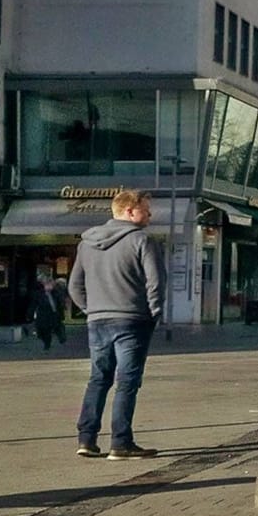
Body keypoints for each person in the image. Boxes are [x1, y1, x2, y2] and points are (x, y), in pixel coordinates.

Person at [70, 188, 166, 460]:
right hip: (132, 320)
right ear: (129, 211)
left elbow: (75, 286)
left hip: (98, 321)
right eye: (145, 209)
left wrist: (91, 309)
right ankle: (120, 443)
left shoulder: (86, 243)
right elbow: (155, 281)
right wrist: (154, 312)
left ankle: (86, 439)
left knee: (98, 378)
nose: (150, 213)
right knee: (127, 381)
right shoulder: (142, 241)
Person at [30, 275, 63, 352]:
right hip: (42, 315)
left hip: (52, 315)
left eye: (51, 285)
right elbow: (34, 304)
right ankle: (47, 340)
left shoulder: (55, 293)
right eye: (48, 285)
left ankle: (48, 344)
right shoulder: (39, 294)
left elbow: (59, 304)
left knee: (49, 330)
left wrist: (61, 314)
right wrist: (30, 314)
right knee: (41, 330)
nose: (50, 287)